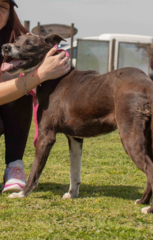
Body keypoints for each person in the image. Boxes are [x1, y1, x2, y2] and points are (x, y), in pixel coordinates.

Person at [0, 0, 70, 193]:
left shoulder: (16, 39)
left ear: (10, 15)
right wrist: (39, 75)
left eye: (3, 7)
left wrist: (50, 59)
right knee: (23, 85)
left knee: (21, 91)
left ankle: (15, 166)